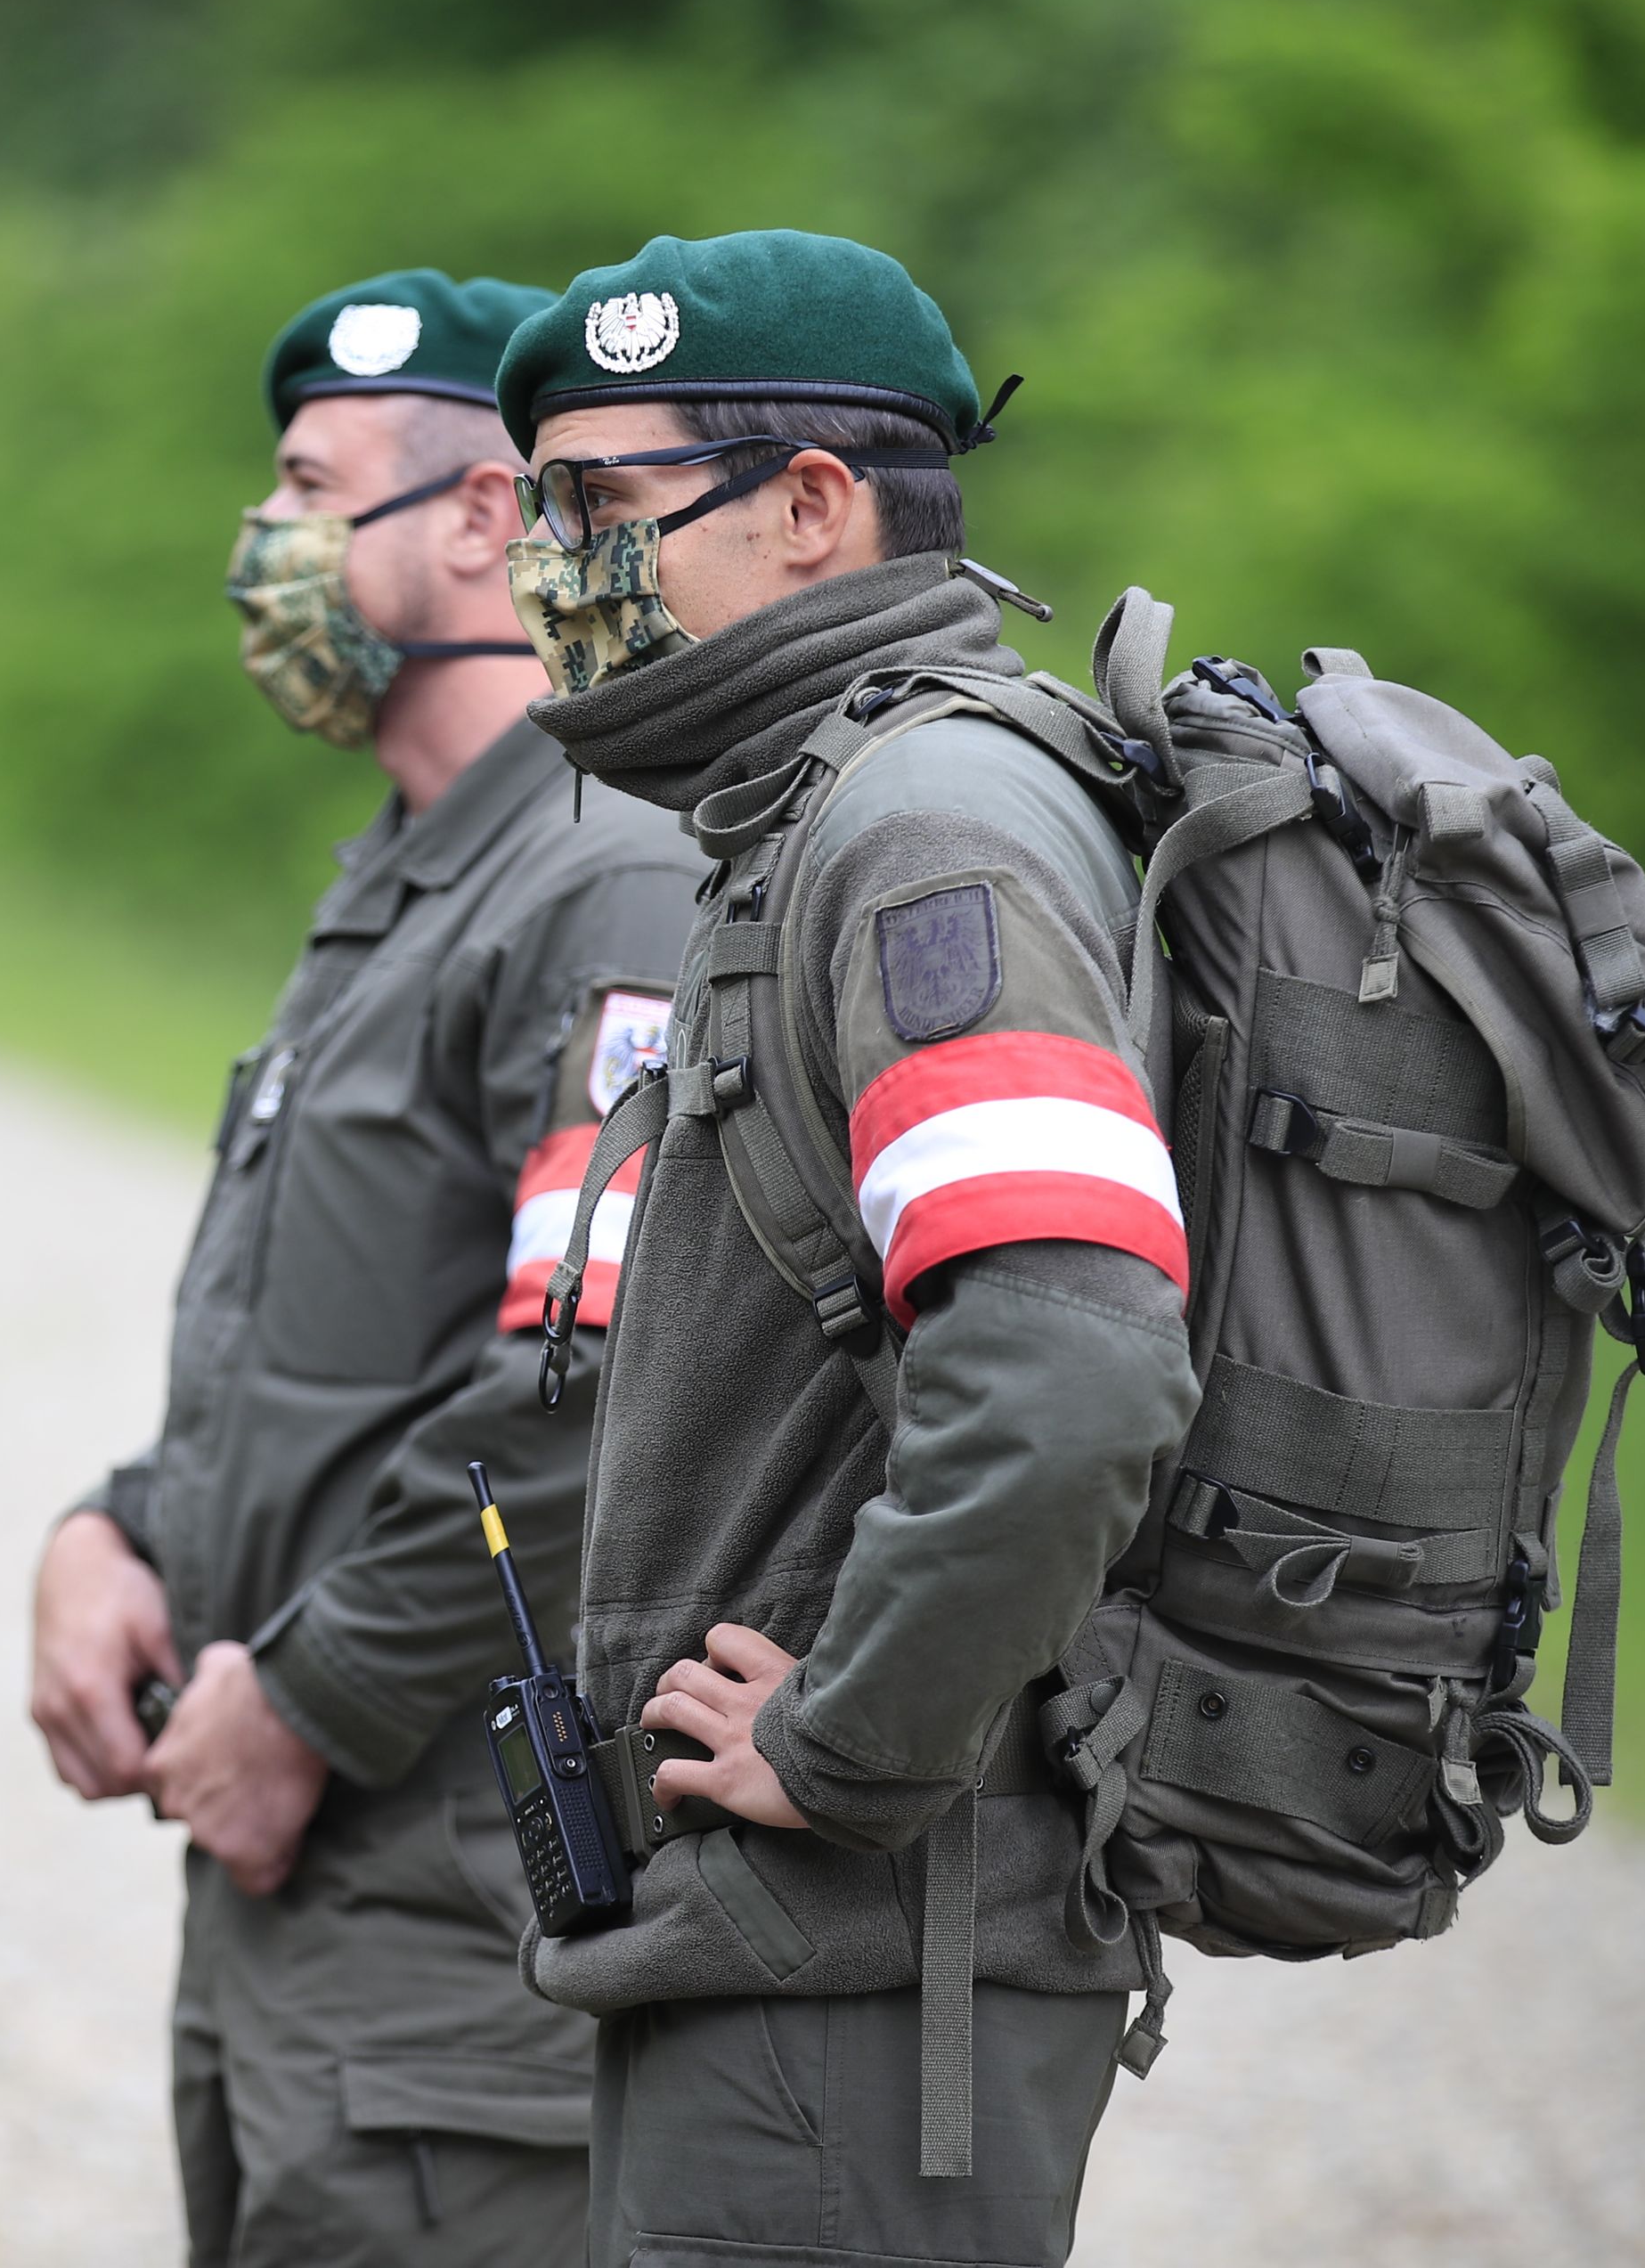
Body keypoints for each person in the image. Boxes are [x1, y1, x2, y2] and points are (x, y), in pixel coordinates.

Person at [491, 229, 1203, 2267]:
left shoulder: (921, 831)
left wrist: (850, 1734)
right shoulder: (818, 812)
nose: (545, 566)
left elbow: (1069, 1358)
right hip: (792, 1951)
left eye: (595, 506)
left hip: (865, 1966)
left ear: (809, 507)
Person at [27, 267, 704, 2265]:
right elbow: (322, 1350)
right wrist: (117, 1528)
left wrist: (311, 1700)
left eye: (312, 492)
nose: (266, 542)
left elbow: (588, 1386)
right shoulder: (413, 878)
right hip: (303, 1906)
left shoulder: (603, 878)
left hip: (450, 1915)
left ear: (486, 518)